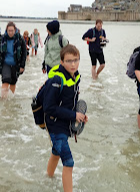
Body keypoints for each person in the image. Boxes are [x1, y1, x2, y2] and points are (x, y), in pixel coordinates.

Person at [43, 44, 88, 192]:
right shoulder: (56, 79)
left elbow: (70, 102)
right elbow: (49, 108)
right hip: (55, 125)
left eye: (76, 60)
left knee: (56, 153)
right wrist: (73, 115)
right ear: (61, 62)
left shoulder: (75, 76)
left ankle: (46, 179)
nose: (73, 64)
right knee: (68, 162)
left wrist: (79, 116)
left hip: (65, 123)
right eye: (69, 61)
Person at [0, 22, 27, 99]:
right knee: (6, 80)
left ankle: (10, 99)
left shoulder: (20, 39)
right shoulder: (2, 39)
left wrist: (22, 65)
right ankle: (3, 100)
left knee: (13, 82)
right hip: (5, 63)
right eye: (9, 31)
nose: (10, 32)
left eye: (12, 30)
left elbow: (24, 53)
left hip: (16, 64)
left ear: (15, 30)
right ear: (6, 30)